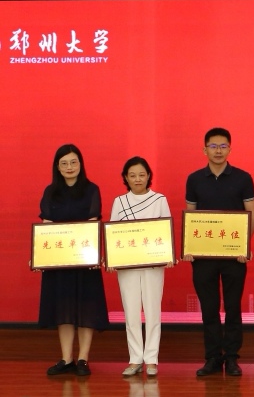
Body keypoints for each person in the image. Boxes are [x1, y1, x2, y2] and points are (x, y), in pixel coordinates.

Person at [184, 127, 254, 377]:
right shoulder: (194, 179)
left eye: (223, 146)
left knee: (233, 307)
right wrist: (191, 247)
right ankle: (213, 357)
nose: (218, 151)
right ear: (204, 149)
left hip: (234, 256)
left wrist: (244, 246)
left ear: (230, 149)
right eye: (213, 146)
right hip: (203, 257)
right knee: (209, 308)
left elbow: (251, 214)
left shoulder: (243, 178)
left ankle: (232, 358)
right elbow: (191, 217)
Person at [39, 144, 109, 377]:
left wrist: (94, 254)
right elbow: (46, 226)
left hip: (84, 260)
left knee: (86, 307)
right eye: (64, 163)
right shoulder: (50, 192)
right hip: (59, 262)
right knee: (64, 308)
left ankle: (83, 359)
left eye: (73, 162)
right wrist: (40, 256)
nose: (69, 167)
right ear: (57, 167)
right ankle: (66, 358)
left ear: (80, 164)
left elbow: (93, 223)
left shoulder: (91, 190)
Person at [108, 157, 173, 377]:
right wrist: (112, 259)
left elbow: (166, 231)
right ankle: (135, 358)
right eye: (132, 175)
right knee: (131, 312)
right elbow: (113, 234)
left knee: (153, 311)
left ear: (149, 176)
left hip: (154, 265)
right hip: (127, 266)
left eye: (142, 175)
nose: (137, 179)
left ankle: (152, 359)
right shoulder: (120, 202)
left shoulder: (159, 200)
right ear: (125, 178)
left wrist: (168, 255)